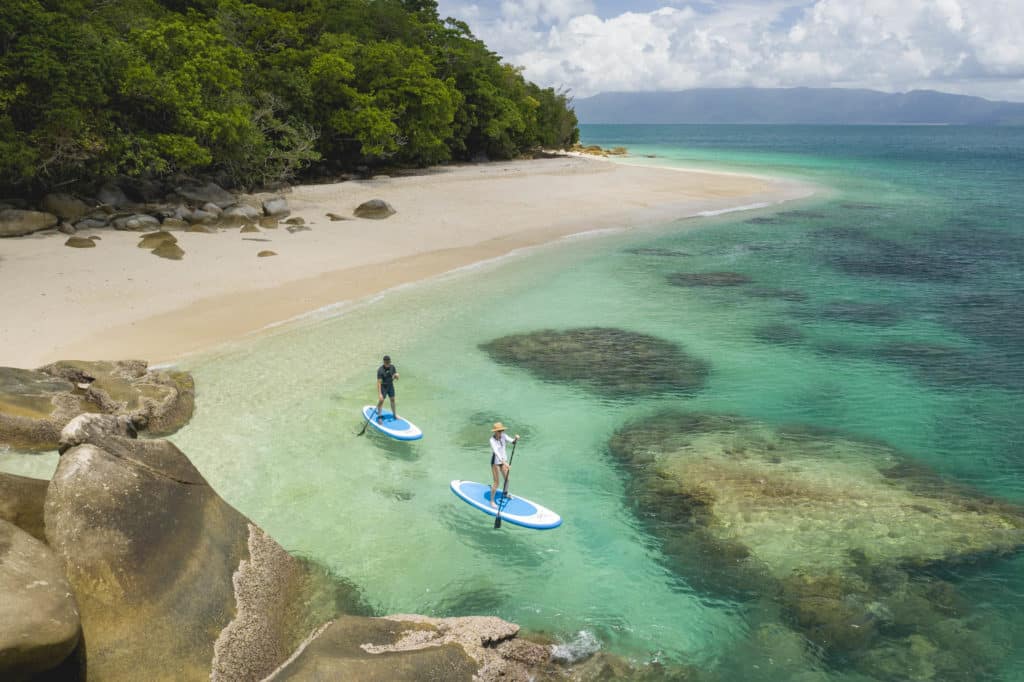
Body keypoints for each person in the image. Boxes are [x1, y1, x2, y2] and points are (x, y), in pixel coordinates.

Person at [489, 422, 519, 508]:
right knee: (496, 483)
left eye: (502, 430)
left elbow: (513, 442)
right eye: (499, 431)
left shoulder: (503, 436)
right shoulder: (492, 440)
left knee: (507, 479)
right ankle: (491, 501)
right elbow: (496, 452)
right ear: (495, 431)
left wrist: (516, 439)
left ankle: (505, 494)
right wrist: (504, 463)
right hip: (495, 462)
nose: (501, 432)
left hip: (503, 461)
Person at [375, 355, 399, 423]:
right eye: (387, 363)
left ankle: (394, 415)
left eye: (389, 362)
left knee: (392, 399)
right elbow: (379, 383)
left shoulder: (392, 367)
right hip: (383, 387)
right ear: (384, 362)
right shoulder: (380, 370)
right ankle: (379, 417)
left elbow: (395, 376)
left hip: (390, 386)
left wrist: (397, 376)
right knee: (381, 400)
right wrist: (380, 394)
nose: (388, 364)